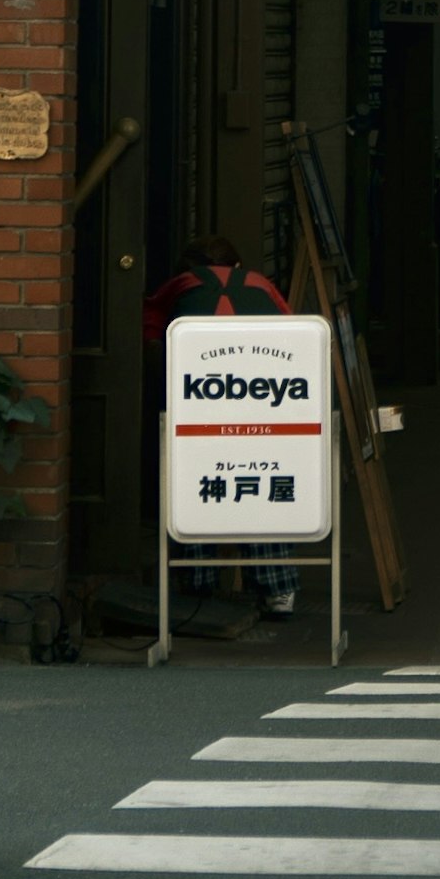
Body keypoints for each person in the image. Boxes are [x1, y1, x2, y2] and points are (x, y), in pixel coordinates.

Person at [148, 236, 304, 631]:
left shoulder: (181, 286)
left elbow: (149, 331)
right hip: (260, 405)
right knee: (260, 485)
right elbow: (294, 332)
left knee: (199, 482)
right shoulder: (259, 284)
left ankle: (198, 582)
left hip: (196, 406)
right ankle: (277, 588)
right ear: (236, 265)